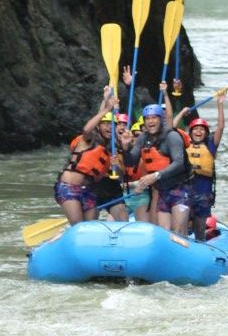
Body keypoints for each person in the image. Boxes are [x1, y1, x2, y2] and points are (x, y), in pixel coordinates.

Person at [120, 103, 193, 235]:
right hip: (162, 191)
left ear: (161, 119)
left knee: (178, 230)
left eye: (154, 118)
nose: (150, 121)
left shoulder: (172, 136)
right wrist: (125, 147)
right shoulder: (143, 138)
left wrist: (156, 175)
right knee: (163, 232)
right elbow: (130, 161)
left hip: (180, 189)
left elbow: (179, 162)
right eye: (147, 118)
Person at [174, 93, 225, 241]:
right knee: (181, 223)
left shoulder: (211, 145)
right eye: (195, 129)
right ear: (190, 133)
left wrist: (220, 104)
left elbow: (220, 128)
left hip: (203, 193)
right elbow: (172, 129)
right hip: (185, 191)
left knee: (199, 228)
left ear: (206, 133)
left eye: (202, 129)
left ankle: (201, 246)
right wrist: (182, 113)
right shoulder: (184, 144)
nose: (198, 131)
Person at [82, 89, 129, 220]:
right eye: (105, 124)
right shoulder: (92, 140)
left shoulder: (118, 145)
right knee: (88, 222)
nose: (109, 128)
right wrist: (105, 100)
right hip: (92, 186)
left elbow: (121, 176)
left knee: (122, 217)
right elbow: (89, 127)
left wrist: (117, 166)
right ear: (99, 126)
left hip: (111, 187)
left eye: (111, 125)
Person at [53, 133, 107, 224]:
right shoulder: (85, 141)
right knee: (78, 224)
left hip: (88, 190)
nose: (109, 127)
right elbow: (87, 130)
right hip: (69, 187)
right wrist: (99, 117)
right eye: (105, 123)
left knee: (91, 226)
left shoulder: (109, 153)